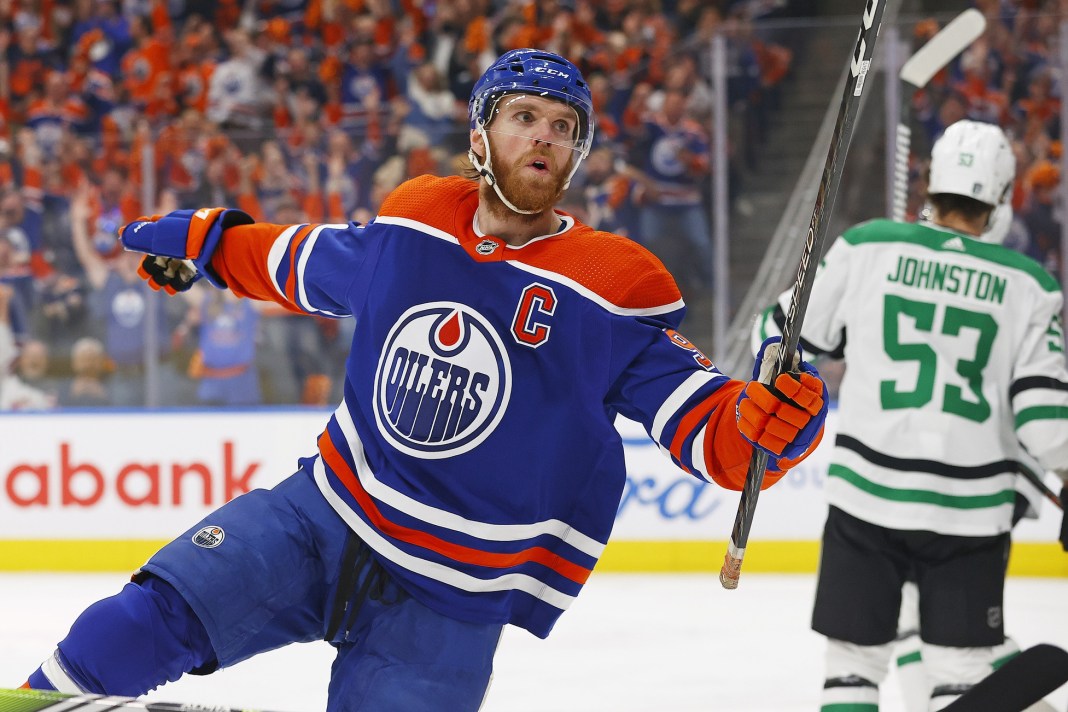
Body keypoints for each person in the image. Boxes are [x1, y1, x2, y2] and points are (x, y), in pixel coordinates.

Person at [21, 49, 829, 710]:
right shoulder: (418, 216)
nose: (543, 138)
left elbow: (713, 431)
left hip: (451, 596)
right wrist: (211, 245)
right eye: (522, 118)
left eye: (562, 127)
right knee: (135, 623)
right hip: (324, 515)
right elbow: (306, 260)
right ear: (480, 136)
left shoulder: (611, 284)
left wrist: (768, 423)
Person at [752, 119, 1068, 711]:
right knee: (963, 671)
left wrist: (779, 375)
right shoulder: (1030, 286)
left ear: (930, 183)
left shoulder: (869, 245)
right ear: (1002, 196)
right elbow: (1046, 420)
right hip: (970, 513)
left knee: (852, 666)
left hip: (866, 496)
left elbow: (776, 337)